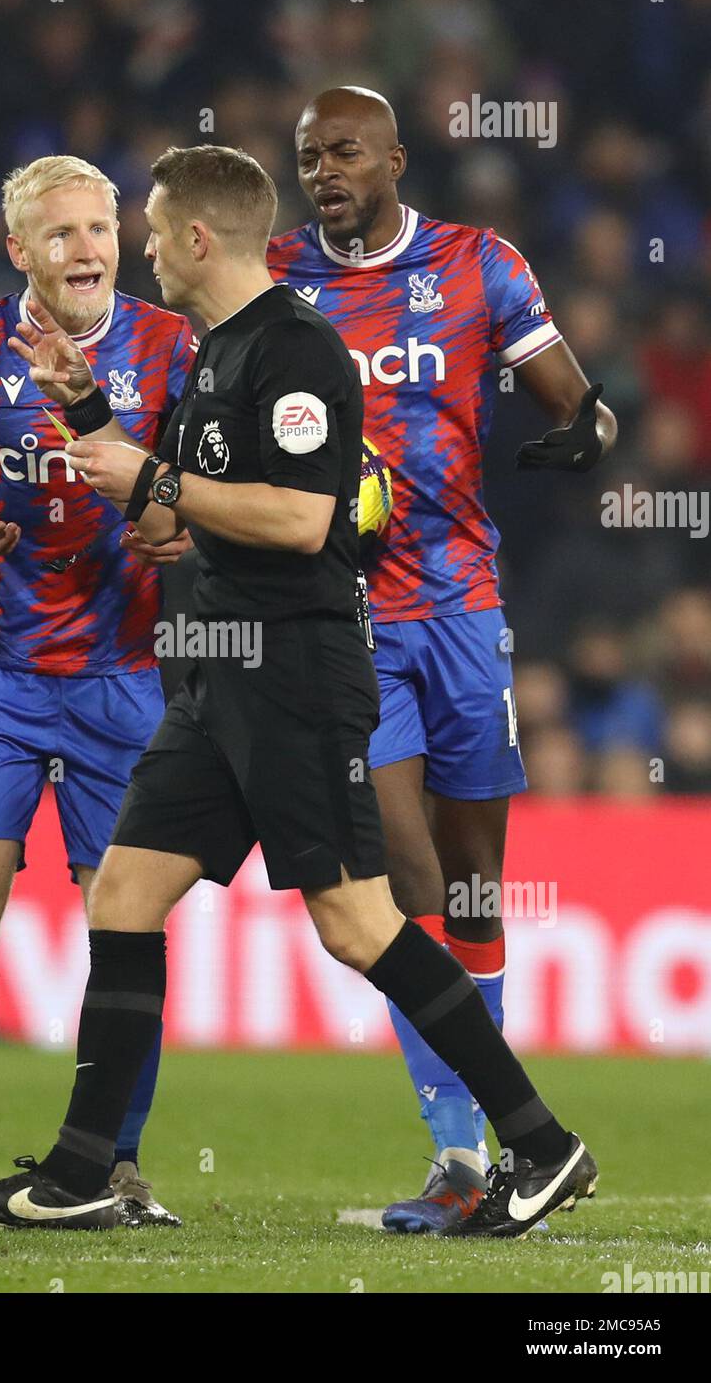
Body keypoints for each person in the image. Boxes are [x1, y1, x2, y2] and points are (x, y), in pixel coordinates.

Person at [0, 145, 598, 1239]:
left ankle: (539, 1142)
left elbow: (298, 520)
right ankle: (82, 1171)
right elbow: (170, 522)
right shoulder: (216, 356)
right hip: (208, 682)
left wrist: (148, 476)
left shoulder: (294, 352)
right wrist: (89, 406)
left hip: (292, 676)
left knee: (355, 921)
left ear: (197, 238)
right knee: (124, 896)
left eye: (148, 227)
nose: (138, 247)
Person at [268, 86, 618, 1232]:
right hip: (343, 617)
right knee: (409, 883)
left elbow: (574, 399)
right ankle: (464, 1150)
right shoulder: (274, 276)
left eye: (346, 152)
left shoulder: (478, 264)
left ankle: (502, 1153)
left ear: (395, 160)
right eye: (310, 156)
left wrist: (584, 434)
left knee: (472, 886)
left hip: (464, 611)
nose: (326, 170)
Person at [0, 155, 196, 1228]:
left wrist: (177, 533)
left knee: (125, 924)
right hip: (0, 673)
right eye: (59, 233)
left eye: (99, 228)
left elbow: (197, 500)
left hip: (124, 676)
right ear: (20, 250)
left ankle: (116, 1160)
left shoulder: (170, 348)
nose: (86, 249)